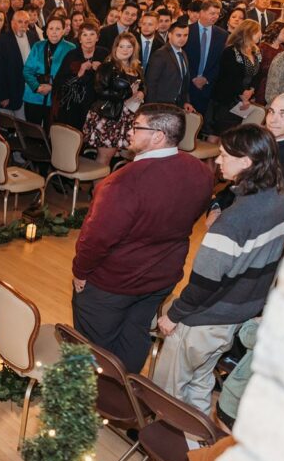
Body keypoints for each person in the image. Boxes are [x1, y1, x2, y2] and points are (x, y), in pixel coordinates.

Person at [153, 125, 284, 414]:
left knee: (168, 392)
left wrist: (175, 314)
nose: (218, 161)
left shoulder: (233, 222)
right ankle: (196, 448)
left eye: (224, 155)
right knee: (200, 383)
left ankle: (163, 448)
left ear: (246, 162)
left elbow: (206, 281)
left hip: (204, 318)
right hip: (238, 314)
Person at [72, 104, 215, 374]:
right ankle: (124, 396)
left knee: (94, 346)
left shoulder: (123, 183)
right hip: (161, 278)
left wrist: (80, 271)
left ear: (158, 136)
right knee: (136, 333)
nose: (129, 132)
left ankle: (94, 401)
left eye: (137, 127)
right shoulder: (201, 172)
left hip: (112, 282)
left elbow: (97, 239)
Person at [83, 32, 145, 166]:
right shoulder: (107, 66)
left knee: (121, 159)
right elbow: (100, 91)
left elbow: (143, 85)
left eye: (129, 47)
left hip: (127, 117)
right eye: (121, 46)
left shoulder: (136, 68)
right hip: (108, 118)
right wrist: (128, 93)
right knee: (104, 160)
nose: (125, 50)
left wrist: (142, 92)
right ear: (115, 47)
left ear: (134, 49)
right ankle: (101, 187)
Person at [207, 20, 262, 141]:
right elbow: (229, 77)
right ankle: (210, 160)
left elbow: (258, 75)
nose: (261, 35)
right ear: (248, 33)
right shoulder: (231, 51)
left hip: (245, 98)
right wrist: (243, 94)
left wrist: (251, 90)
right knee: (218, 132)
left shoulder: (256, 52)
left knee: (231, 134)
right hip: (227, 98)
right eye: (258, 32)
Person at [53, 21, 108, 131]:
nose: (89, 38)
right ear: (80, 39)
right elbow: (59, 83)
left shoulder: (104, 53)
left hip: (97, 104)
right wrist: (80, 73)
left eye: (92, 34)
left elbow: (110, 79)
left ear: (97, 38)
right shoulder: (71, 55)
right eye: (85, 35)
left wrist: (102, 70)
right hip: (74, 105)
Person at [22, 17, 76, 126]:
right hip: (33, 95)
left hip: (56, 98)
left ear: (63, 31)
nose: (54, 32)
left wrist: (53, 87)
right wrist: (37, 87)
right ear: (46, 31)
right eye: (51, 28)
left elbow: (71, 76)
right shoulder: (38, 46)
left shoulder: (70, 48)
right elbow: (27, 70)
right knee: (32, 134)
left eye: (58, 29)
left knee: (52, 135)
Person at [184, 0, 228, 116]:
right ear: (202, 12)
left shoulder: (222, 34)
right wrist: (193, 77)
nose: (215, 17)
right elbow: (184, 58)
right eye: (212, 13)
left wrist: (206, 78)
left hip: (207, 85)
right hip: (187, 84)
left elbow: (220, 61)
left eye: (217, 14)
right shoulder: (187, 31)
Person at [145, 19, 196, 112]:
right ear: (169, 35)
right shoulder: (160, 54)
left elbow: (183, 81)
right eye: (178, 35)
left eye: (185, 35)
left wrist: (185, 101)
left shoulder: (183, 53)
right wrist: (152, 108)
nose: (182, 38)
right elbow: (151, 84)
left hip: (177, 106)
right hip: (160, 106)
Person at [0, 11, 32, 120]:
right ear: (13, 23)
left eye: (26, 22)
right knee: (10, 129)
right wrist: (3, 95)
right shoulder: (1, 42)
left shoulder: (32, 38)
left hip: (28, 92)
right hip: (9, 94)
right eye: (20, 22)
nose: (23, 25)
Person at [255, 20, 284, 104]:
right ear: (276, 32)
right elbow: (258, 70)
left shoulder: (281, 48)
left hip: (276, 86)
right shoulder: (262, 47)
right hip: (262, 85)